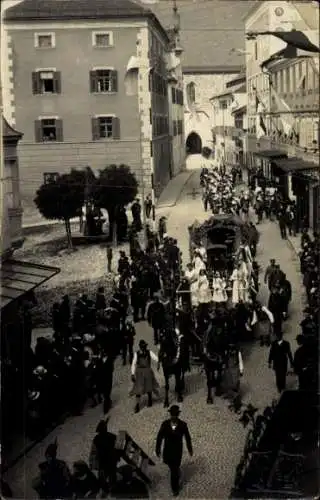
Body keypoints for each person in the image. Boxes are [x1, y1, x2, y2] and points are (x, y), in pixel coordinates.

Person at [156, 405, 193, 497]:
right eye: (172, 414)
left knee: (174, 470)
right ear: (170, 415)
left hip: (177, 451)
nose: (173, 416)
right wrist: (157, 448)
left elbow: (188, 438)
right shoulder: (165, 424)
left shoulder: (183, 425)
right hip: (168, 451)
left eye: (175, 414)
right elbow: (159, 437)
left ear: (178, 415)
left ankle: (174, 488)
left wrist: (190, 448)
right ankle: (175, 477)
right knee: (172, 468)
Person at [89, 418, 118, 494]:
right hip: (110, 461)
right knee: (110, 473)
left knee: (104, 476)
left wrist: (92, 463)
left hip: (104, 462)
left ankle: (107, 488)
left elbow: (93, 452)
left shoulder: (96, 439)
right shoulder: (112, 436)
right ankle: (111, 487)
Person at [131, 340, 159, 413]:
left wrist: (160, 359)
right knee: (138, 389)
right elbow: (133, 363)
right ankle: (137, 405)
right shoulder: (136, 354)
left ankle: (150, 399)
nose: (144, 347)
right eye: (143, 346)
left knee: (149, 386)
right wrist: (132, 374)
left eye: (145, 346)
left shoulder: (149, 352)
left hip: (148, 371)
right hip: (139, 372)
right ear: (140, 347)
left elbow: (156, 358)